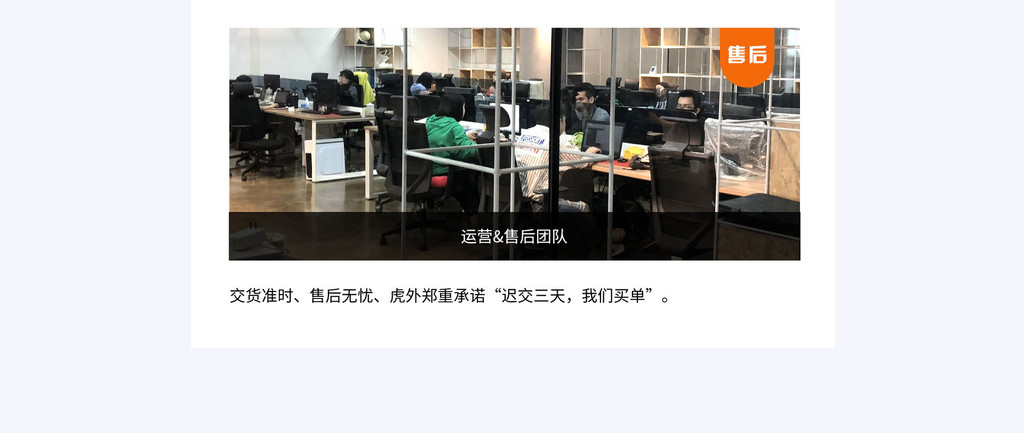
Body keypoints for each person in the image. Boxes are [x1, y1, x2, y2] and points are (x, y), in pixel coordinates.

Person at [425, 93, 480, 213]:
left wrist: (463, 136)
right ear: (457, 108)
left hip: (425, 173)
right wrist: (483, 143)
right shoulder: (454, 126)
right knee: (473, 172)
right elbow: (469, 151)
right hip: (442, 173)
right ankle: (473, 216)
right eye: (463, 107)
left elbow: (440, 139)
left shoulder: (430, 120)